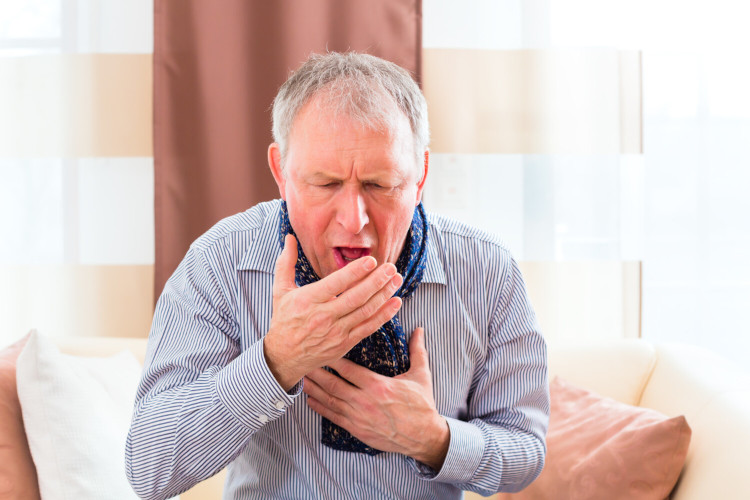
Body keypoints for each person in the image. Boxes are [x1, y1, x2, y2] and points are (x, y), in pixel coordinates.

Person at [126, 52, 549, 500]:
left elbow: (525, 452)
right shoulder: (221, 262)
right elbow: (150, 469)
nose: (354, 220)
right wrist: (277, 360)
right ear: (281, 173)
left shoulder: (488, 272)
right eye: (325, 183)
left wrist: (431, 437)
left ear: (421, 174)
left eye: (380, 184)